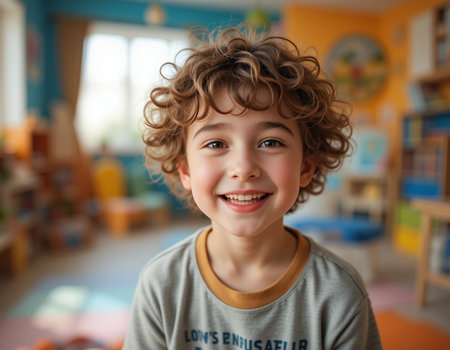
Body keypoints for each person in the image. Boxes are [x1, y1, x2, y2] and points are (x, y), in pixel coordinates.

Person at [123, 25, 382, 350]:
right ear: (185, 169)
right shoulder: (161, 284)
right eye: (216, 143)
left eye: (270, 142)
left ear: (305, 166)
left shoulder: (339, 293)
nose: (243, 168)